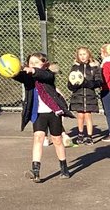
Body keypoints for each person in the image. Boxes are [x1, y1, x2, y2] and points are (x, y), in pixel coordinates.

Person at [15, 53, 70, 182]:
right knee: (38, 138)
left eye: (36, 62)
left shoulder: (48, 75)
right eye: (31, 62)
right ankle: (35, 171)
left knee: (57, 140)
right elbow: (19, 76)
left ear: (44, 64)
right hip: (38, 113)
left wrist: (33, 70)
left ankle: (64, 167)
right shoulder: (28, 77)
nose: (32, 64)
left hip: (53, 112)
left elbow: (45, 75)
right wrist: (12, 71)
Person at [67, 47, 103, 145]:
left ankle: (90, 136)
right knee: (80, 115)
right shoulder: (75, 67)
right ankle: (80, 134)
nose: (83, 56)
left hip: (89, 95)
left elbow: (99, 81)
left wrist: (90, 83)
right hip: (78, 95)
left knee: (88, 115)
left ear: (89, 55)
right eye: (80, 54)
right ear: (78, 56)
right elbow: (70, 81)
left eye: (84, 54)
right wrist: (72, 85)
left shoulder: (94, 67)